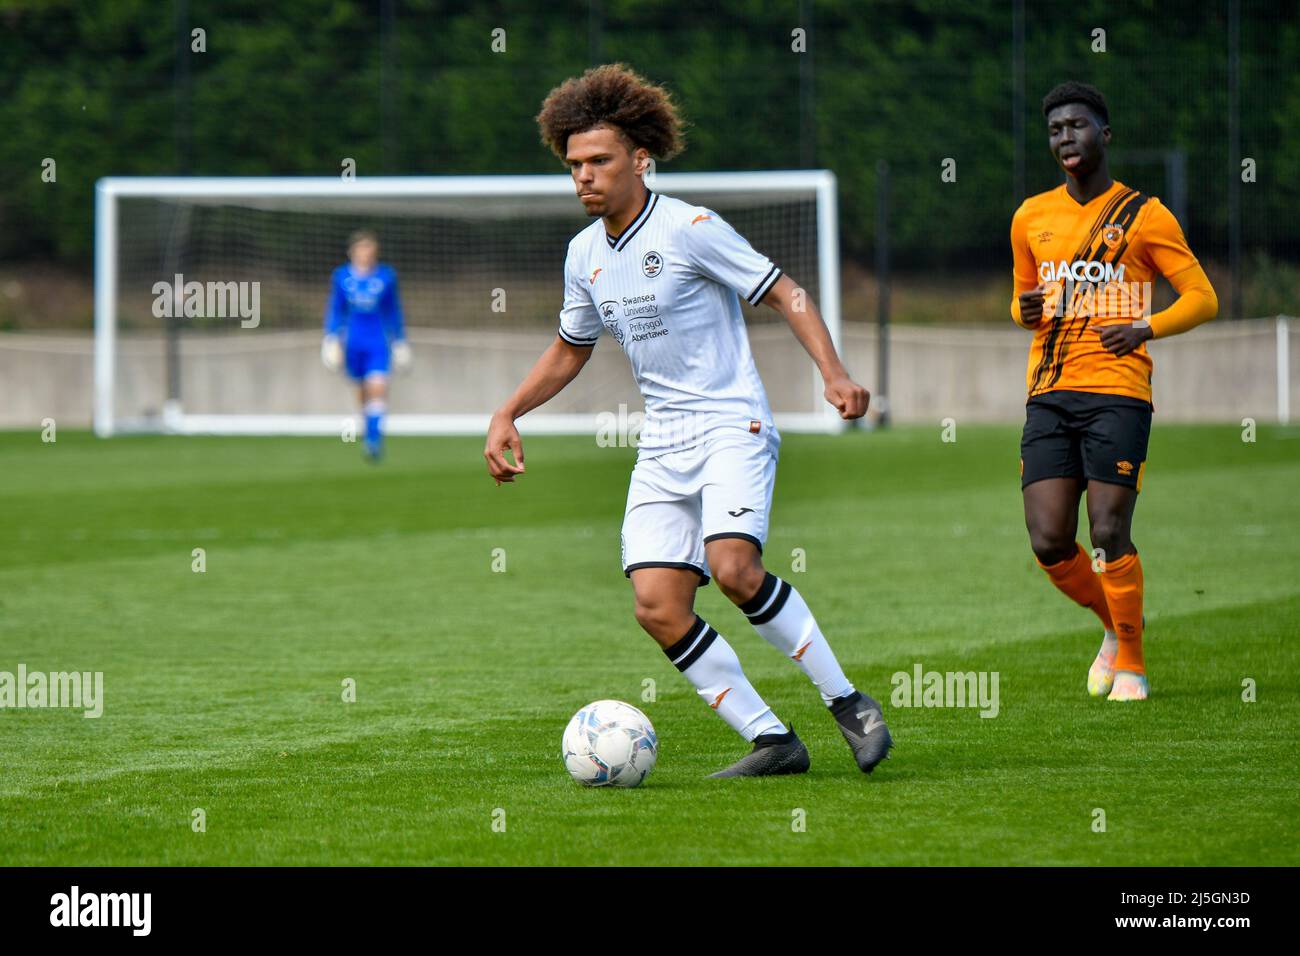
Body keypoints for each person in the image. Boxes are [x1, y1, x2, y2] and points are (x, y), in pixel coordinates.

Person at [484, 63, 892, 777]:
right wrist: (508, 411)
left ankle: (848, 701)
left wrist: (834, 373)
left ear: (640, 160)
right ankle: (773, 741)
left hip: (733, 423)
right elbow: (569, 348)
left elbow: (784, 292)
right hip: (664, 440)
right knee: (657, 605)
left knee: (735, 569)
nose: (584, 176)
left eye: (599, 161)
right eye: (574, 164)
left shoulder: (692, 229)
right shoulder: (584, 255)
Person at [1010, 82, 1218, 701]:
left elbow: (1204, 298)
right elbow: (1025, 306)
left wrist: (1145, 327)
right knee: (1049, 538)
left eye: (1076, 126)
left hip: (1119, 394)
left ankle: (1132, 660)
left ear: (1105, 134)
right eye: (1054, 130)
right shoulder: (1031, 216)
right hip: (1049, 393)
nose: (1065, 137)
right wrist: (1022, 310)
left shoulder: (1145, 217)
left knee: (1107, 530)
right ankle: (1114, 622)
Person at [321, 230, 410, 459]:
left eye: (370, 249)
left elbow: (393, 310)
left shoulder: (386, 277)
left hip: (377, 341)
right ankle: (369, 428)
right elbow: (336, 309)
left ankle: (374, 439)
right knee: (361, 392)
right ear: (353, 252)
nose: (366, 254)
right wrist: (331, 338)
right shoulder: (341, 277)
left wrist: (399, 341)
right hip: (352, 342)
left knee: (378, 386)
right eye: (362, 249)